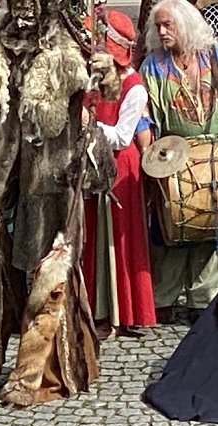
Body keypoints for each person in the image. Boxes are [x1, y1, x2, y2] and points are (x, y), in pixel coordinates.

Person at [0, 0, 120, 405]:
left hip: (52, 166)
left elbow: (104, 85)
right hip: (1, 160)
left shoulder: (68, 38)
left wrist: (100, 74)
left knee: (49, 263)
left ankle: (39, 371)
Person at [140, 0, 218, 324]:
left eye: (167, 25)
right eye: (157, 26)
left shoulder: (214, 56)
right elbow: (144, 116)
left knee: (210, 227)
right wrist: (150, 159)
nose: (161, 32)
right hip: (172, 155)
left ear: (185, 25)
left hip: (215, 155)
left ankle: (204, 298)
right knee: (169, 230)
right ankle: (165, 298)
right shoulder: (154, 65)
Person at [81, 10, 157, 338]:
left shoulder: (134, 87)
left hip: (119, 171)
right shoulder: (94, 80)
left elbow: (124, 137)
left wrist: (88, 125)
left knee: (116, 244)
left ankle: (119, 312)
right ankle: (94, 308)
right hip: (91, 165)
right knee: (91, 240)